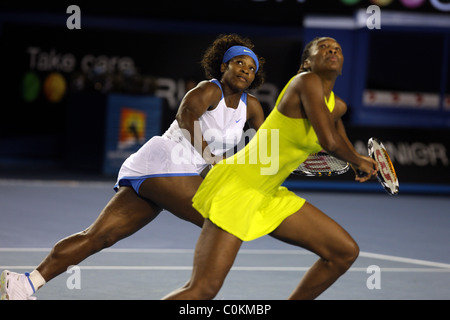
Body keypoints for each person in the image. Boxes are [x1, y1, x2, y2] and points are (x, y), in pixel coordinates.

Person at [0, 34, 265, 300]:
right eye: (239, 63)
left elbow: (266, 144)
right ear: (223, 66)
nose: (245, 69)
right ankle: (195, 295)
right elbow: (185, 116)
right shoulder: (209, 89)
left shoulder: (251, 107)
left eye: (251, 68)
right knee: (222, 221)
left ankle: (23, 284)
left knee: (99, 237)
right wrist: (212, 159)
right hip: (167, 161)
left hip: (166, 172)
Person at [163, 37, 378, 300]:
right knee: (202, 290)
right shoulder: (305, 82)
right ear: (307, 63)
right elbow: (329, 141)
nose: (332, 50)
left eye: (337, 49)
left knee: (343, 252)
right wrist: (359, 160)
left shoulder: (337, 106)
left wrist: (356, 159)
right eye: (323, 47)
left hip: (269, 193)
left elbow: (340, 138)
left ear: (343, 63)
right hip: (239, 186)